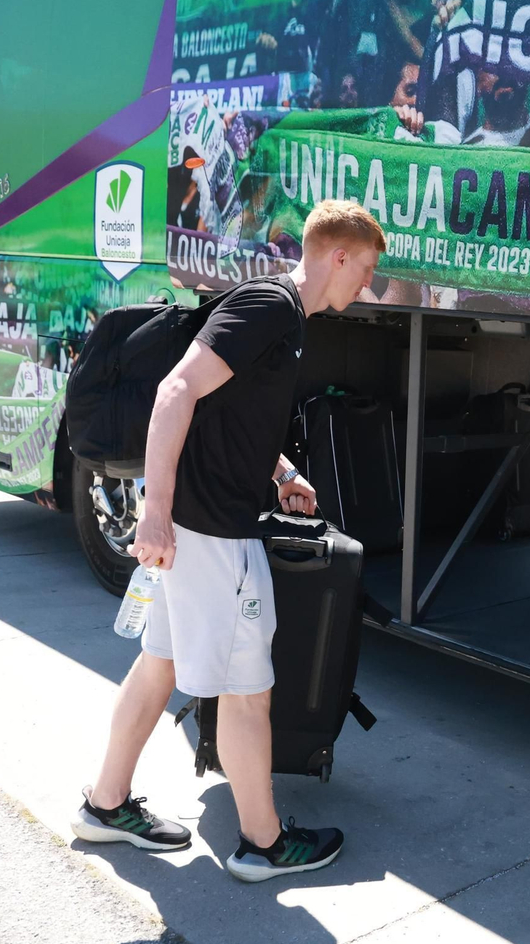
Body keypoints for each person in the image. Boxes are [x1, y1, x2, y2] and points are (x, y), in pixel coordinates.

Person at [73, 200, 385, 883]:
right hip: (210, 529)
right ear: (337, 255)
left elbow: (229, 408)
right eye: (365, 270)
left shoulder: (283, 317)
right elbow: (177, 389)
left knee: (158, 667)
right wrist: (154, 512)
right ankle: (263, 844)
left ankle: (105, 804)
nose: (368, 285)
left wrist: (282, 470)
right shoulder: (271, 307)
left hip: (202, 521)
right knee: (248, 691)